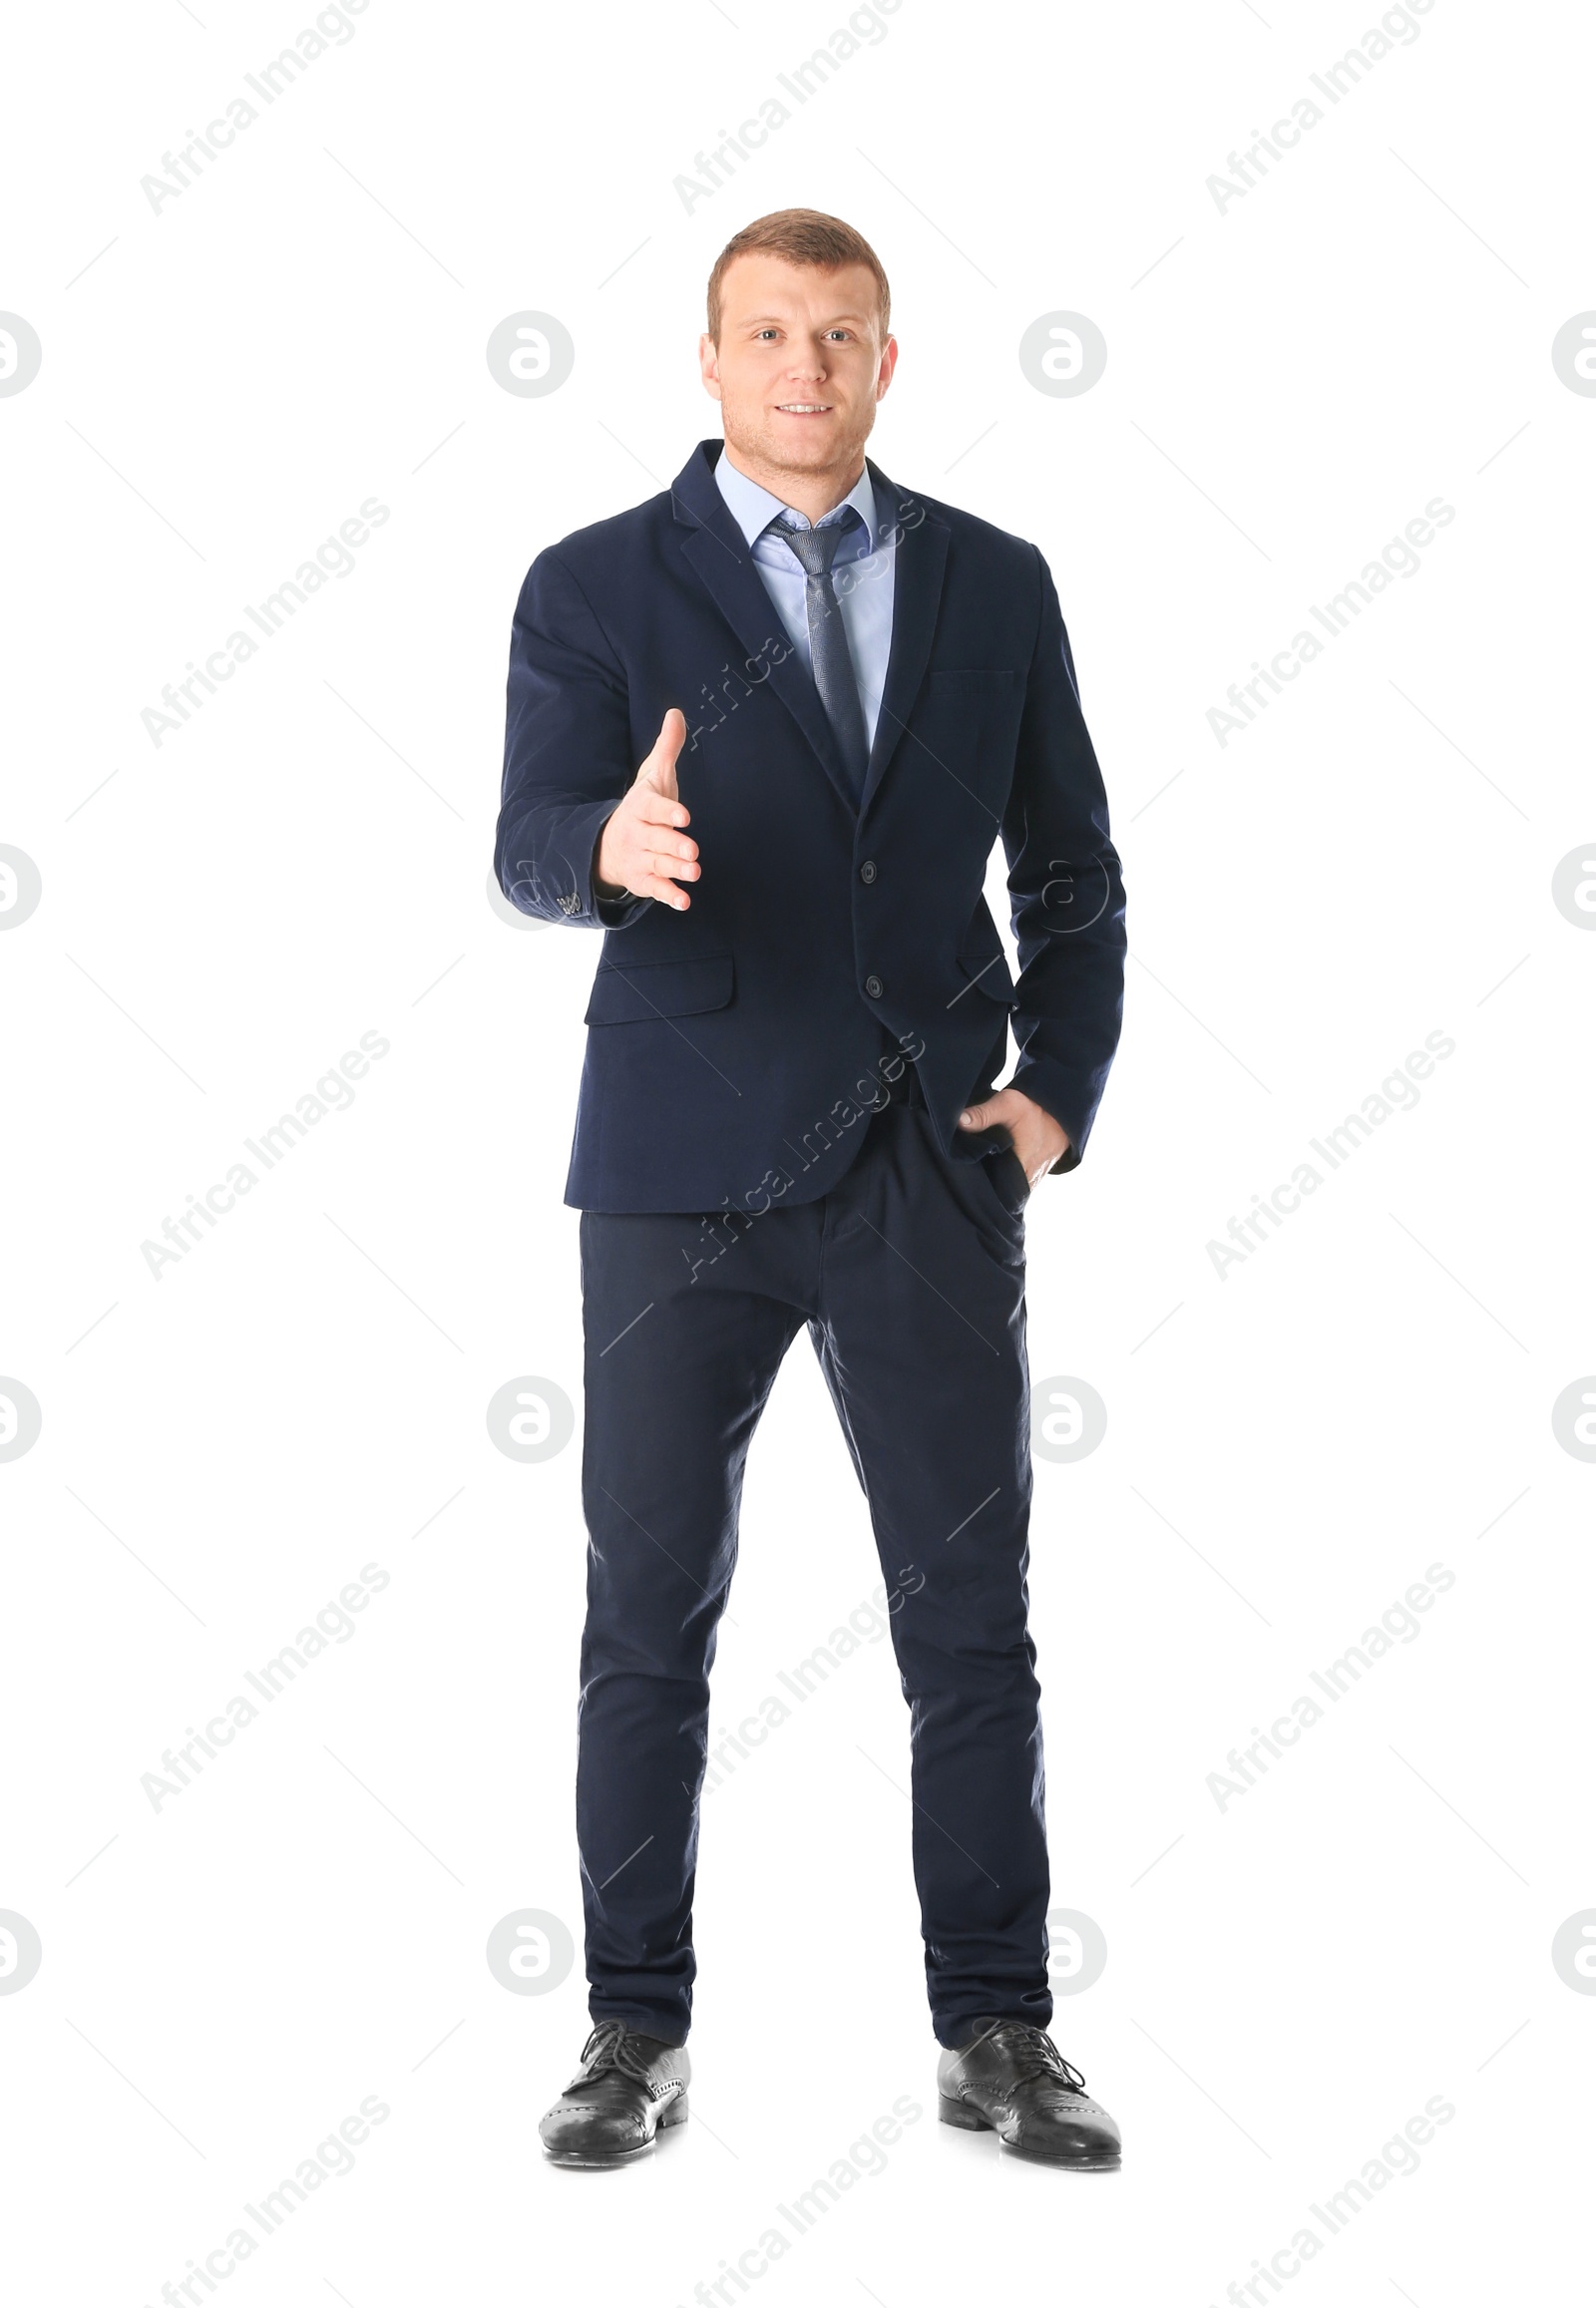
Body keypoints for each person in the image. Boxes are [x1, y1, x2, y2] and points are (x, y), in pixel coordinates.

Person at [495, 207, 1127, 2168]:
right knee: (646, 1609)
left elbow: (1074, 871)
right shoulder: (596, 581)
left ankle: (998, 2026)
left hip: (923, 1166)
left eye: (836, 335)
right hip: (677, 1170)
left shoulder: (992, 583)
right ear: (705, 357)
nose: (800, 366)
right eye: (764, 333)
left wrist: (1051, 1097)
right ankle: (630, 2025)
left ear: (884, 358)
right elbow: (525, 844)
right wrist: (607, 840)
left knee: (968, 1620)